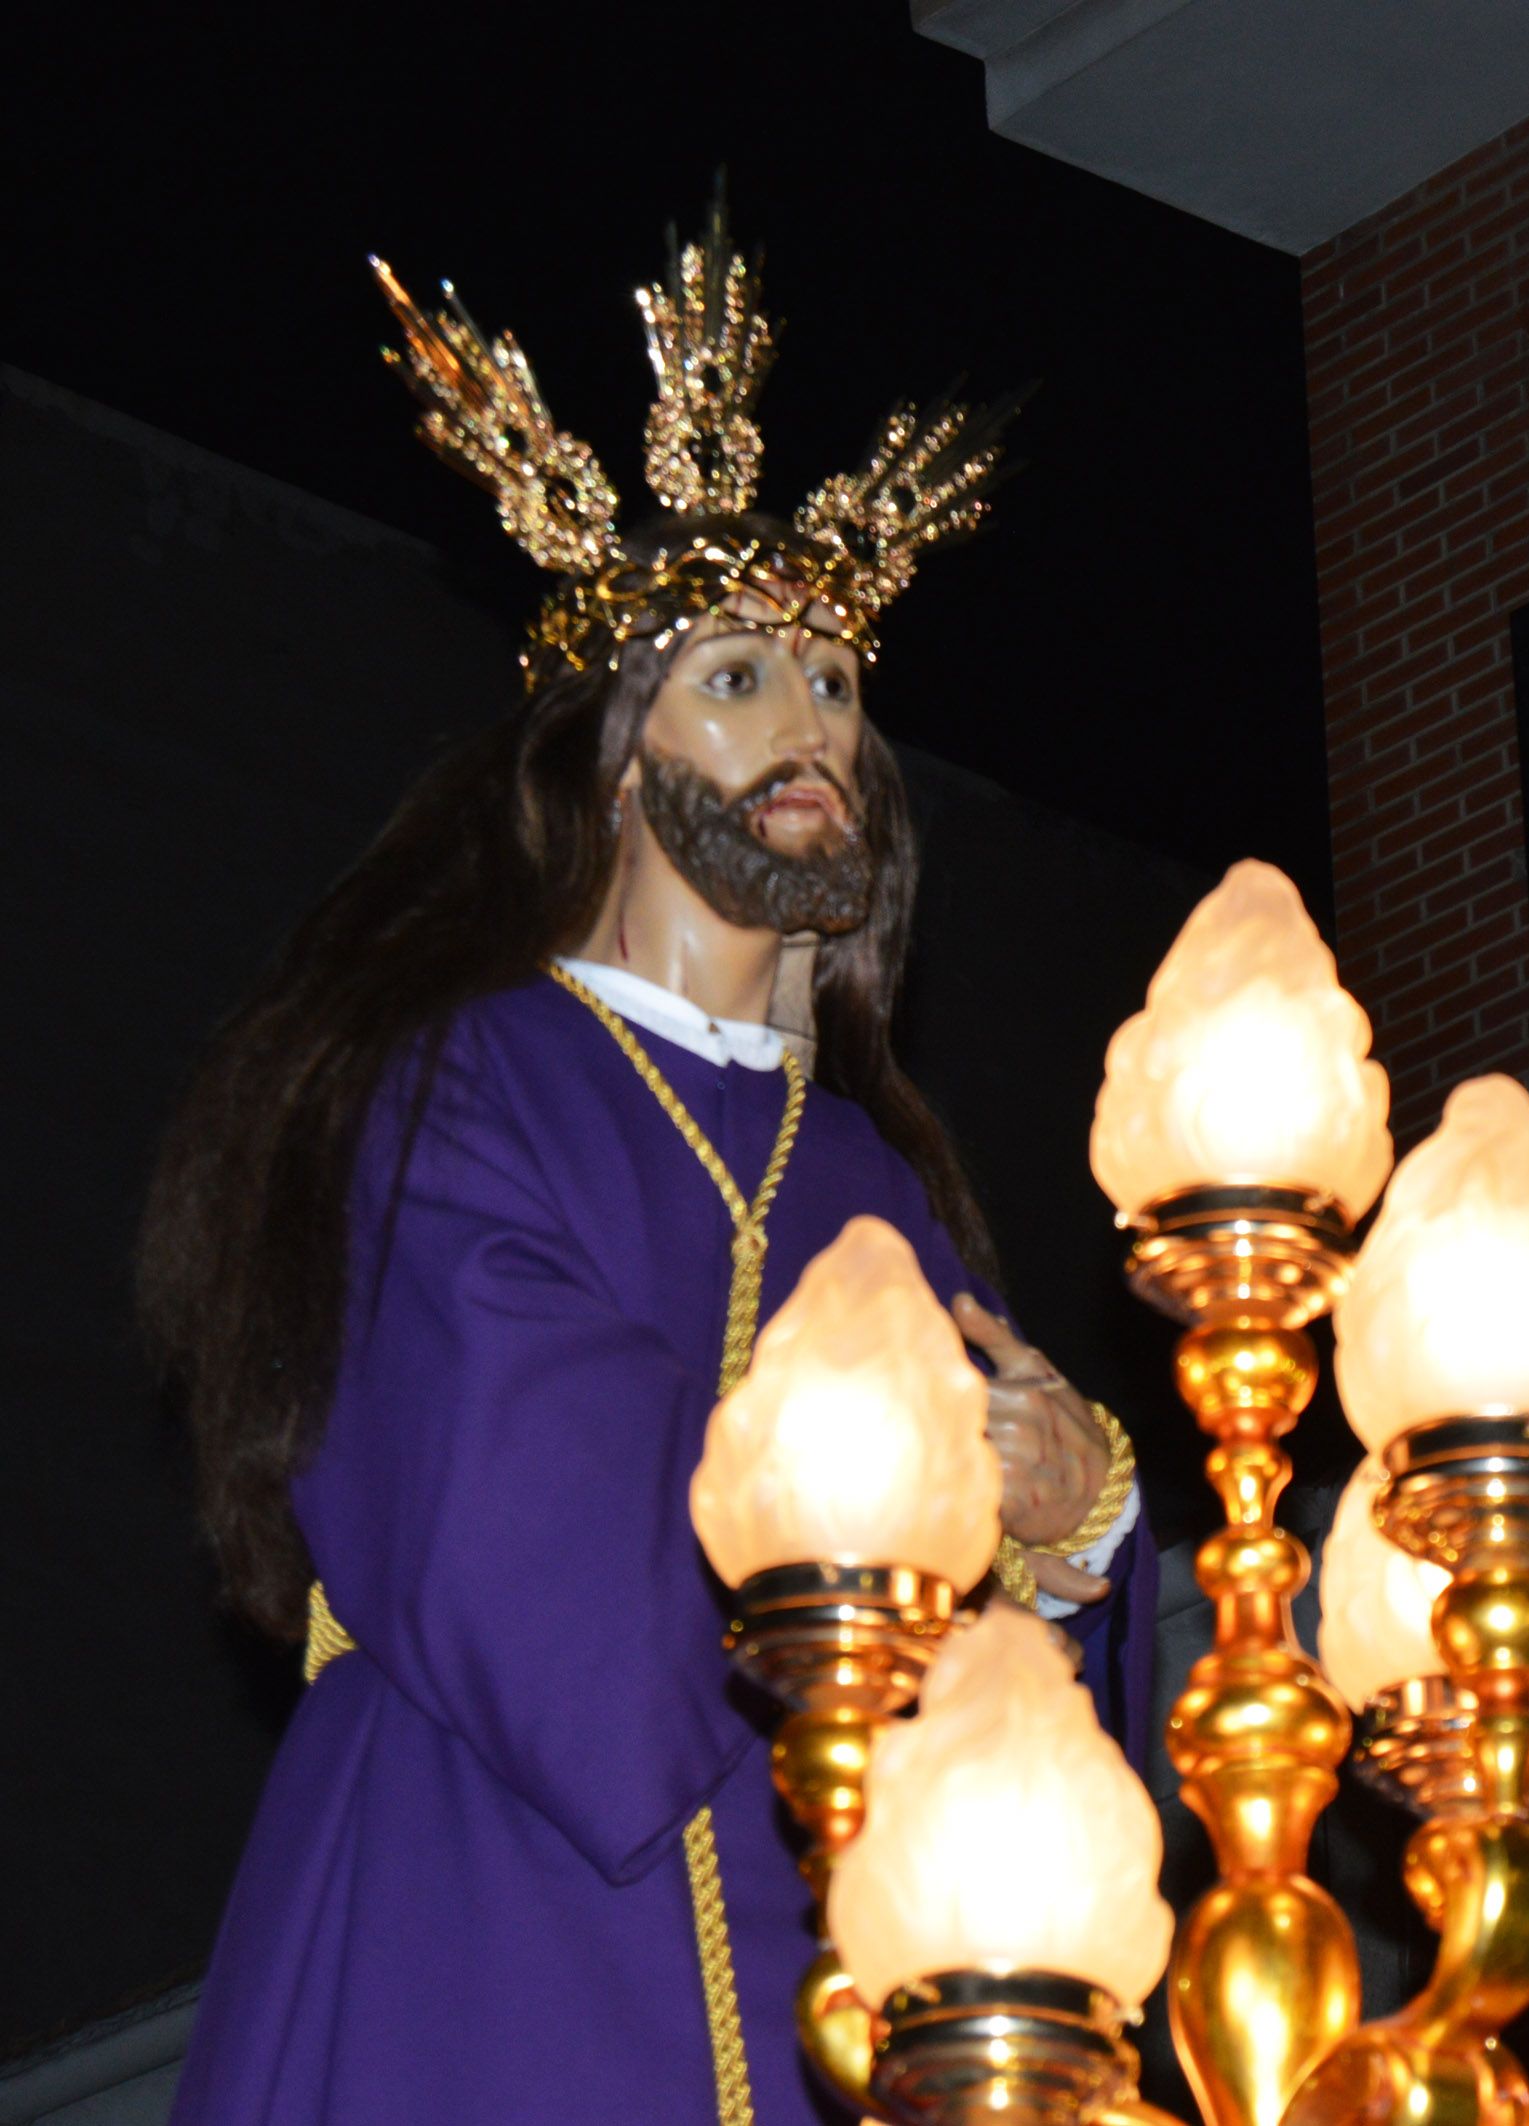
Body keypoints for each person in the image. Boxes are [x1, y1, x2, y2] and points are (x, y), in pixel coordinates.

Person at [139, 193, 1155, 2125]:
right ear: (617, 760)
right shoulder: (467, 1084)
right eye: (741, 679)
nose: (814, 733)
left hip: (848, 1963)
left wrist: (1077, 1524)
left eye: (840, 691)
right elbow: (533, 1565)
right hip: (507, 1925)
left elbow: (1029, 1751)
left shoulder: (875, 1173)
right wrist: (875, 1519)